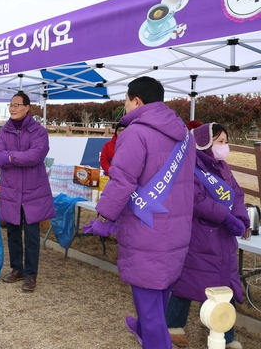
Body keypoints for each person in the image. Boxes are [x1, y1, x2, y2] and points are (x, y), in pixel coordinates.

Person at [89, 76, 196, 349]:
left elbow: (122, 181)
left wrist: (104, 218)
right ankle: (143, 330)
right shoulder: (184, 134)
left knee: (149, 304)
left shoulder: (137, 132)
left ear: (137, 101)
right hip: (177, 228)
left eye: (125, 100)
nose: (124, 106)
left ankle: (153, 338)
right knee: (159, 293)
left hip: (146, 229)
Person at [165, 123, 250, 349]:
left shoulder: (223, 167)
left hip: (223, 237)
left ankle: (226, 338)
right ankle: (172, 326)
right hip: (200, 235)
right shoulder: (190, 166)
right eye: (220, 142)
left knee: (226, 286)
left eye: (225, 141)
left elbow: (237, 194)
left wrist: (241, 218)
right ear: (205, 143)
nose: (225, 147)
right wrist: (225, 216)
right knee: (188, 281)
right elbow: (195, 200)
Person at [0, 92, 55, 292]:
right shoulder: (3, 131)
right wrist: (17, 157)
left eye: (17, 105)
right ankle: (17, 269)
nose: (13, 108)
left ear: (28, 107)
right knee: (12, 231)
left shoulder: (38, 131)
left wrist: (10, 158)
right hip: (11, 189)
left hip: (33, 190)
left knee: (31, 234)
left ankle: (30, 275)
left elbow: (35, 156)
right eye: (11, 105)